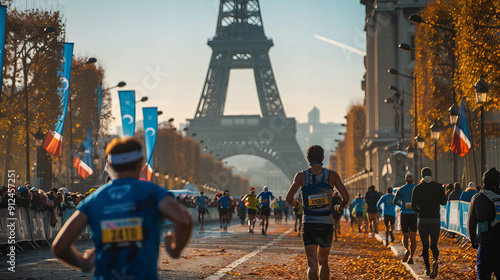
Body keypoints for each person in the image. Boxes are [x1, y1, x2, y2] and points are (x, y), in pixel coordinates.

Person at [51, 137, 193, 279]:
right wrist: (174, 250)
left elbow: (59, 247)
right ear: (140, 163)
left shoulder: (94, 200)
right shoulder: (152, 193)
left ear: (109, 164)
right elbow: (183, 219)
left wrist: (84, 263)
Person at [286, 145, 349, 280]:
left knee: (312, 265)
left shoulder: (301, 176)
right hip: (326, 224)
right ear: (323, 158)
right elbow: (346, 198)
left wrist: (297, 205)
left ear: (308, 158)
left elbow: (288, 198)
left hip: (309, 223)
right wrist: (340, 207)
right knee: (324, 262)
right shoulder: (332, 175)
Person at [411, 167, 446, 278]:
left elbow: (413, 206)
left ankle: (427, 269)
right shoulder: (439, 186)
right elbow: (444, 202)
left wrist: (419, 210)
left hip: (423, 219)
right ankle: (435, 260)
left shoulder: (417, 188)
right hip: (435, 219)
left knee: (425, 246)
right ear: (431, 174)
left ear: (422, 175)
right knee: (434, 246)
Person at [468, 168, 500, 280]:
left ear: (484, 182)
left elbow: (471, 223)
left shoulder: (477, 198)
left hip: (485, 244)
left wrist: (474, 240)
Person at [393, 172, 418, 264]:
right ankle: (411, 257)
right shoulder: (416, 188)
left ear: (405, 180)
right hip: (414, 214)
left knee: (405, 236)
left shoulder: (401, 189)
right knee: (413, 238)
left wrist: (402, 205)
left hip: (404, 214)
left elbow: (395, 201)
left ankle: (407, 249)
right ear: (413, 180)